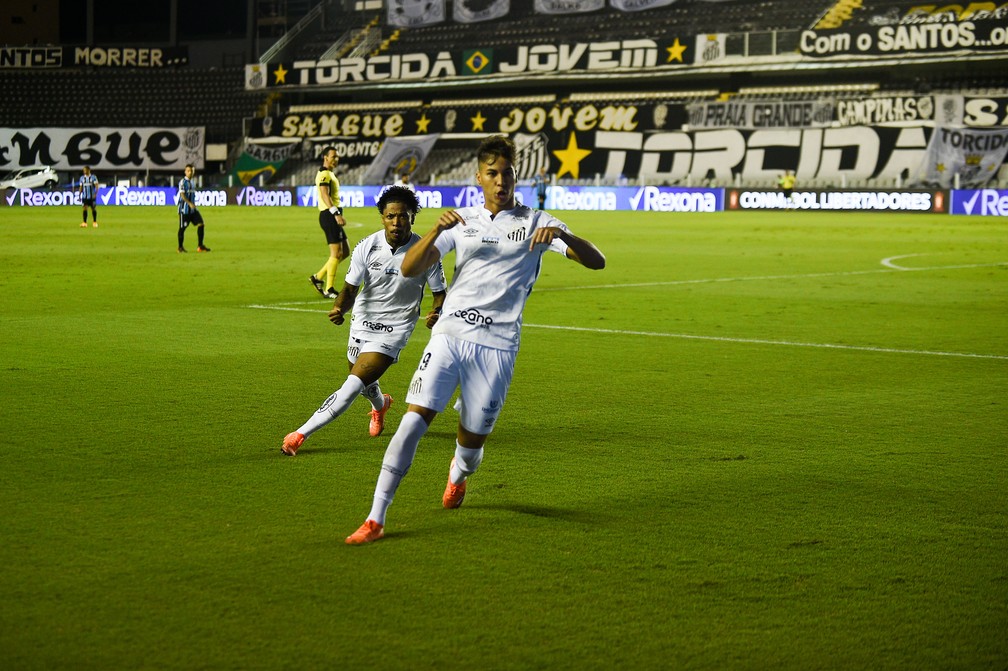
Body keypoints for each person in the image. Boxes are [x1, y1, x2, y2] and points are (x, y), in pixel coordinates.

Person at [345, 135, 606, 544]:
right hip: (450, 335)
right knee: (412, 422)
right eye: (492, 174)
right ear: (478, 177)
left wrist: (565, 237)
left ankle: (459, 473)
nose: (501, 181)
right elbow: (412, 269)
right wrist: (432, 231)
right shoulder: (461, 221)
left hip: (498, 347)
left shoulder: (538, 221)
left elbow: (597, 261)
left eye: (508, 173)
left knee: (470, 442)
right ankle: (376, 517)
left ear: (516, 176)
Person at [282, 185, 447, 455]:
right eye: (391, 216)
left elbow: (440, 293)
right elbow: (349, 289)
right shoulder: (367, 246)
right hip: (362, 322)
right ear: (382, 217)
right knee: (363, 383)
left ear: (412, 217)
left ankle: (299, 434)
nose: (397, 222)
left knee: (352, 384)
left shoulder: (427, 251)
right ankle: (380, 406)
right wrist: (340, 309)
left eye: (403, 216)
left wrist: (436, 312)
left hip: (395, 329)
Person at [309, 146, 350, 299]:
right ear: (325, 157)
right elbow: (324, 195)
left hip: (331, 214)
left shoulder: (328, 173)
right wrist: (336, 213)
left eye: (337, 157)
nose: (336, 159)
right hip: (329, 215)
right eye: (333, 156)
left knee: (345, 251)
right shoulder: (324, 174)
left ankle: (318, 277)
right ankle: (329, 288)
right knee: (336, 253)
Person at [177, 164, 210, 253]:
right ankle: (180, 247)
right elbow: (182, 195)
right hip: (184, 210)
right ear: (185, 172)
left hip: (193, 210)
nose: (190, 172)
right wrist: (189, 203)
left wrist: (193, 205)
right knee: (182, 228)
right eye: (188, 171)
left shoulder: (192, 182)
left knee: (201, 224)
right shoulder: (182, 182)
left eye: (191, 171)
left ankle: (200, 246)